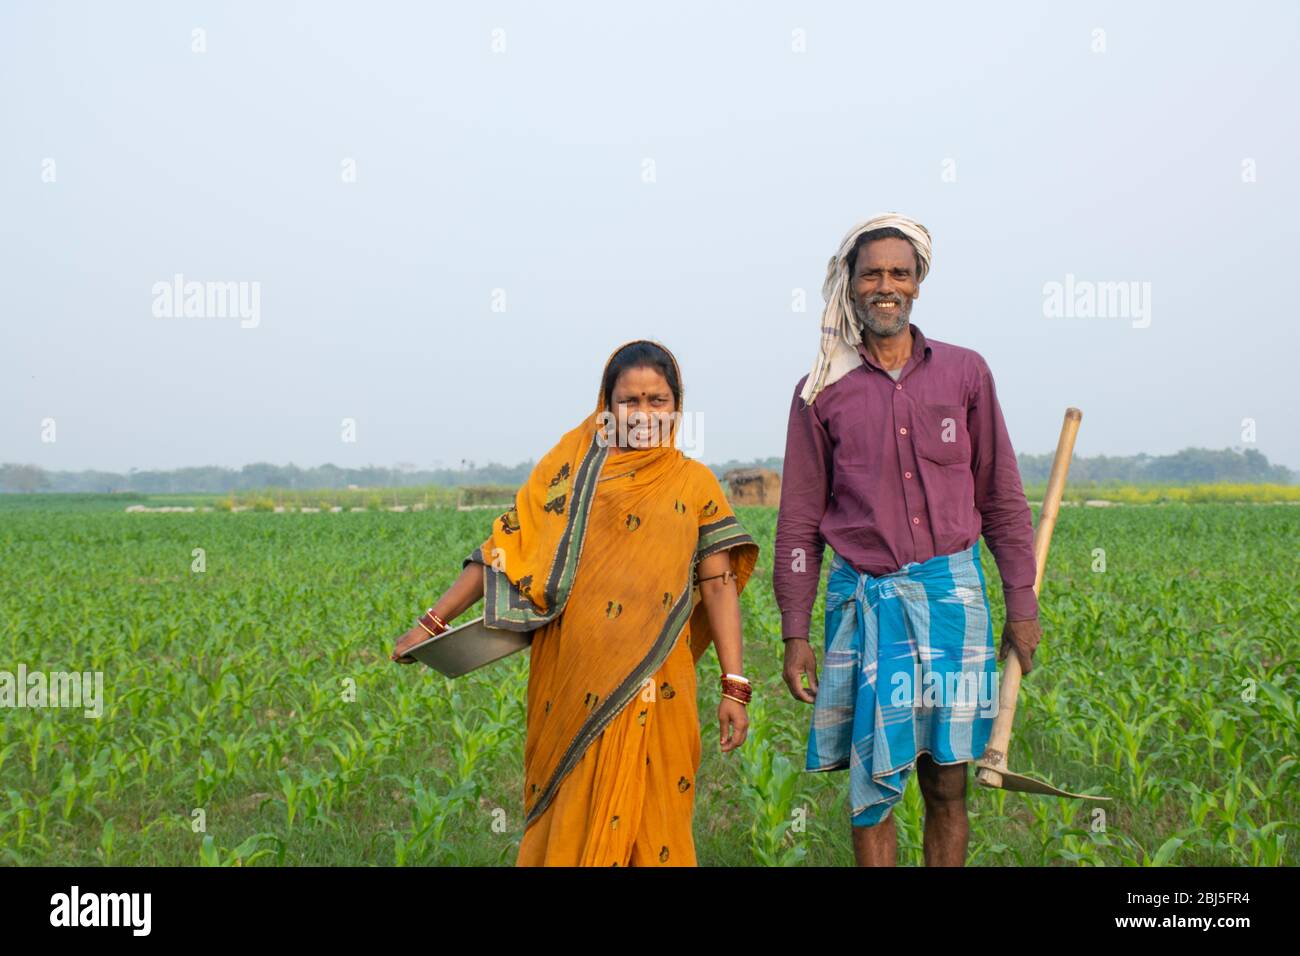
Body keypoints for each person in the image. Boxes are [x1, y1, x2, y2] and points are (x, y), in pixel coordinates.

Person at [392, 339, 760, 866]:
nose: (643, 414)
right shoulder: (570, 473)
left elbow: (718, 585)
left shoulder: (694, 482)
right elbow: (505, 545)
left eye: (658, 400)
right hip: (572, 677)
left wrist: (735, 686)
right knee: (572, 813)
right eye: (629, 400)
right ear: (606, 406)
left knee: (655, 819)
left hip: (660, 679)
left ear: (677, 407)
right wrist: (431, 624)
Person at [774, 213, 1042, 866]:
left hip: (952, 599)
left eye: (900, 272)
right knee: (873, 790)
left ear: (919, 281)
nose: (886, 285)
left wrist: (1023, 605)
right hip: (863, 600)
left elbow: (1001, 497)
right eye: (872, 273)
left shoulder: (965, 374)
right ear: (852, 284)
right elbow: (800, 522)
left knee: (947, 780)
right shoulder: (819, 391)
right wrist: (795, 631)